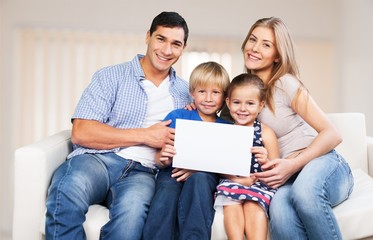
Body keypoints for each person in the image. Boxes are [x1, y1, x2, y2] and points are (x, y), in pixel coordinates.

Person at [45, 11, 192, 240]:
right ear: (148, 37)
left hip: (143, 173)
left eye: (176, 44)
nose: (166, 50)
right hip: (97, 160)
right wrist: (146, 136)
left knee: (130, 221)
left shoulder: (187, 93)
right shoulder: (110, 77)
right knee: (67, 189)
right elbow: (81, 133)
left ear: (183, 48)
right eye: (161, 39)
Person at [233, 17, 354, 239]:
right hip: (287, 178)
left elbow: (332, 133)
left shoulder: (285, 83)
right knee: (278, 211)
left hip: (324, 165)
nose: (255, 48)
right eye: (253, 39)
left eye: (266, 44)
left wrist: (292, 164)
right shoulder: (242, 93)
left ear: (277, 55)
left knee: (305, 193)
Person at [143, 61, 231, 240]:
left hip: (205, 176)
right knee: (167, 191)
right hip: (173, 173)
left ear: (224, 98)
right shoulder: (177, 116)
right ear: (192, 93)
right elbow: (159, 159)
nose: (208, 98)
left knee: (200, 181)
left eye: (215, 92)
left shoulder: (227, 127)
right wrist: (164, 158)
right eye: (202, 91)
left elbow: (226, 165)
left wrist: (197, 167)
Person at [215, 73, 280, 240]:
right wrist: (236, 180)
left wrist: (265, 161)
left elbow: (276, 169)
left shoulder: (265, 133)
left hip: (260, 183)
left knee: (253, 204)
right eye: (237, 102)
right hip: (233, 181)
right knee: (231, 203)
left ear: (260, 105)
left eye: (250, 103)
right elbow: (217, 165)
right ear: (228, 103)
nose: (242, 109)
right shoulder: (225, 131)